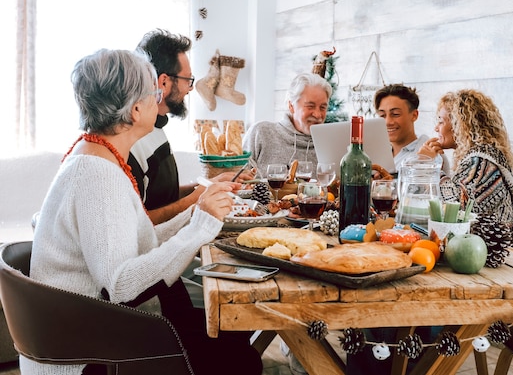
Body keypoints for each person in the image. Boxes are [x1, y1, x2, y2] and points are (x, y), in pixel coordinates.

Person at [28, 49, 263, 375]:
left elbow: (138, 241)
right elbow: (122, 286)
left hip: (88, 329)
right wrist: (200, 227)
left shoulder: (97, 155)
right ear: (136, 110)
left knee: (232, 343)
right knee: (238, 359)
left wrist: (199, 212)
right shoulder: (97, 175)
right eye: (154, 92)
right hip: (83, 354)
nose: (160, 98)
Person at [129, 29, 251, 226]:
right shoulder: (132, 140)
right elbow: (139, 224)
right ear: (164, 82)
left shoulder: (156, 128)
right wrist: (198, 199)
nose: (191, 88)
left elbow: (160, 196)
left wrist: (208, 184)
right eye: (188, 80)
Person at [419, 88, 513, 225]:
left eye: (441, 122)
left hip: (480, 243)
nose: (436, 128)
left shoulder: (481, 162)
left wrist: (430, 167)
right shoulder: (484, 156)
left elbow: (455, 209)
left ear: (459, 124)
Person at [243, 72, 332, 174]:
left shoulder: (329, 145)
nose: (317, 115)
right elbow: (237, 179)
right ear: (291, 106)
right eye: (310, 106)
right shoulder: (261, 133)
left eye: (323, 107)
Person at [374, 84, 448, 174]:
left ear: (414, 115)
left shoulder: (431, 154)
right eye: (382, 115)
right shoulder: (377, 154)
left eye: (396, 114)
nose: (388, 122)